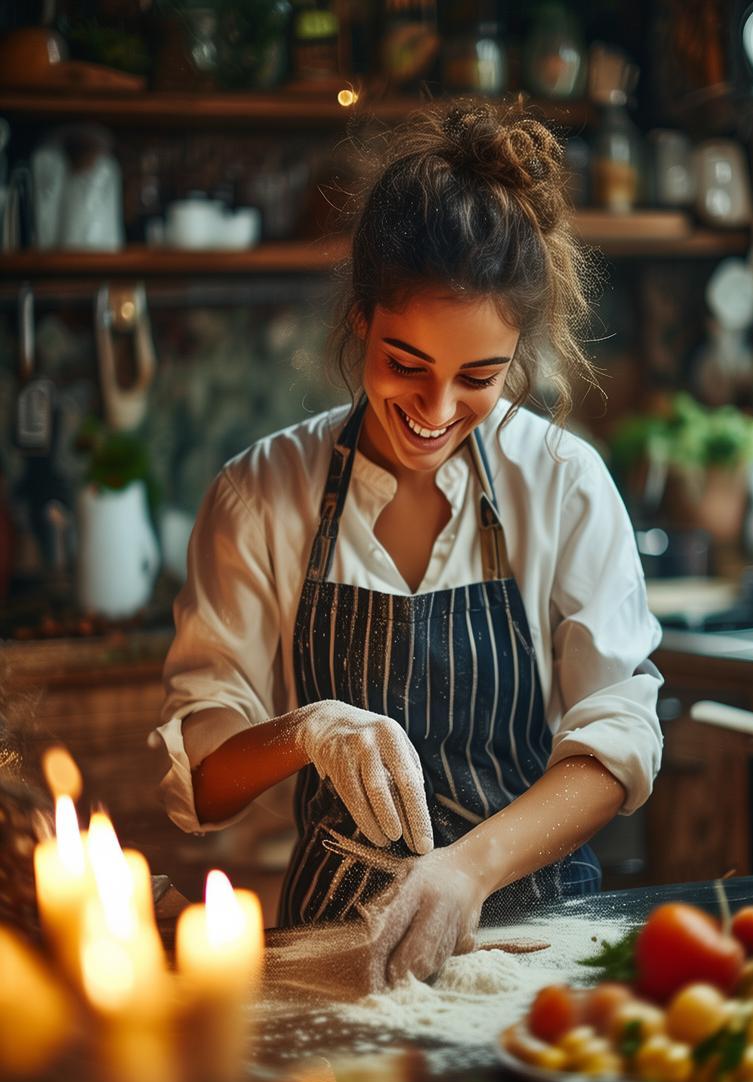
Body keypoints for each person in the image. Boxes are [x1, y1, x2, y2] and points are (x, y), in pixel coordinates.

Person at [153, 98, 663, 985]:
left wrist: (469, 869)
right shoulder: (262, 493)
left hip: (539, 943)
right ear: (362, 317)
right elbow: (202, 780)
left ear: (518, 354)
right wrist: (308, 730)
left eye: (479, 377)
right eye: (406, 364)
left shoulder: (564, 482)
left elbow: (618, 736)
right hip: (338, 954)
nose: (436, 410)